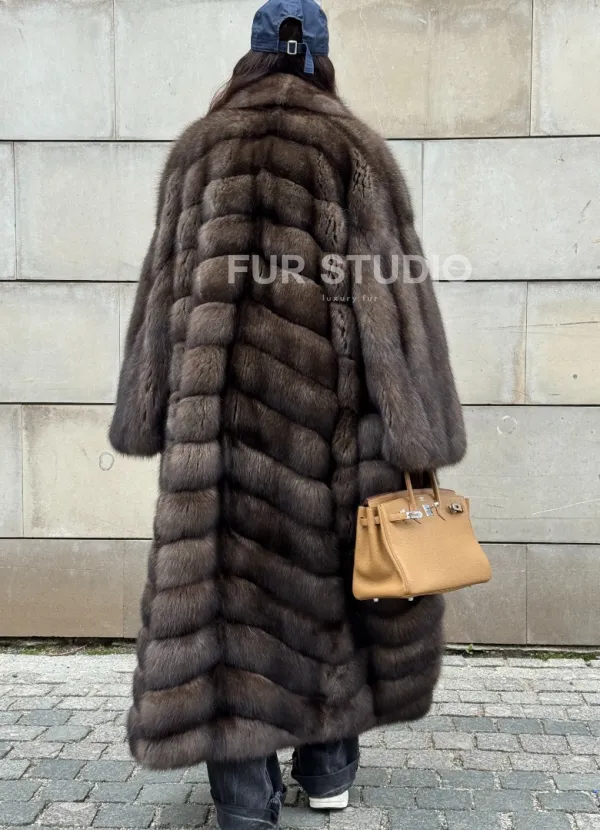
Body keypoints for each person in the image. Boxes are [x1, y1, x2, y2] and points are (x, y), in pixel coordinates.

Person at [109, 1, 467, 827]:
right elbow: (397, 307)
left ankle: (243, 799)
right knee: (334, 592)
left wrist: (147, 409)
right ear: (320, 58)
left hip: (219, 440)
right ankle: (327, 769)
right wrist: (419, 429)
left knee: (227, 609)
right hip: (332, 430)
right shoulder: (354, 149)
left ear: (254, 55)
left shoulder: (197, 152)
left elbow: (162, 293)